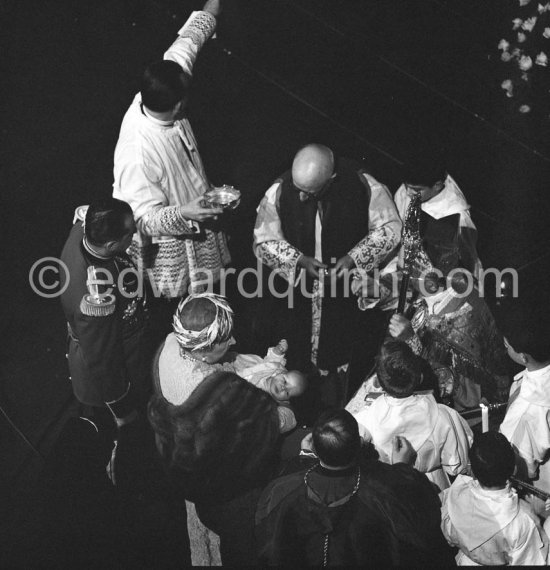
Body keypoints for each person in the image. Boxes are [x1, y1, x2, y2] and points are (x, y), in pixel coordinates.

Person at [253, 143, 402, 400]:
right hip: (300, 289)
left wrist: (354, 258)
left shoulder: (362, 184)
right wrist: (298, 260)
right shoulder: (280, 189)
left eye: (309, 193)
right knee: (296, 353)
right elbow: (263, 241)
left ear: (331, 179)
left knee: (344, 349)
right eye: (299, 190)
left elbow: (390, 229)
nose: (301, 198)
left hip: (345, 288)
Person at [113, 0, 230, 300]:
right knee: (180, 298)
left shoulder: (160, 87)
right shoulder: (137, 153)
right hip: (170, 239)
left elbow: (187, 43)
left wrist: (211, 10)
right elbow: (141, 218)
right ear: (178, 104)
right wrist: (185, 212)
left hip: (194, 202)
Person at [255, 409, 454, 567]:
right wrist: (402, 468)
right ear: (359, 445)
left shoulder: (279, 489)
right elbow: (422, 523)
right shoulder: (389, 486)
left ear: (314, 448)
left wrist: (305, 457)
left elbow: (266, 544)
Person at [149, 371, 280, 566]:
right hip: (236, 511)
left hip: (209, 505)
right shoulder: (244, 484)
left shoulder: (182, 437)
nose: (234, 339)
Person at [60, 199, 148, 430]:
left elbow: (82, 211)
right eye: (130, 233)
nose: (135, 234)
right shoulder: (96, 295)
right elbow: (103, 359)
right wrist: (123, 409)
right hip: (111, 376)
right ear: (110, 244)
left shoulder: (85, 229)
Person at [352, 340, 472, 491]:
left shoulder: (364, 419)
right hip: (431, 487)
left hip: (385, 490)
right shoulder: (443, 417)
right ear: (420, 377)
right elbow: (455, 465)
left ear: (380, 384)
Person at [440, 431, 549, 565]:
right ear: (514, 470)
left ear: (472, 470)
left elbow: (450, 536)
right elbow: (530, 560)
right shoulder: (523, 520)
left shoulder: (455, 494)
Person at [394, 150, 482, 279]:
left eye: (416, 190)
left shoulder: (456, 215)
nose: (408, 193)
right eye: (407, 186)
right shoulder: (411, 188)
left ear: (437, 185)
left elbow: (468, 258)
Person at [499, 302, 550, 494]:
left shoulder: (525, 410)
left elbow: (519, 466)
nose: (505, 347)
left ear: (523, 357)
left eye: (507, 345)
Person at [157, 292, 237, 406]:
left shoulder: (171, 340)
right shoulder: (211, 386)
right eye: (227, 340)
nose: (234, 341)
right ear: (204, 355)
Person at [236, 340, 308, 433]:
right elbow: (273, 360)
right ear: (280, 373)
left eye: (287, 392)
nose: (284, 387)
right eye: (285, 381)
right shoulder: (273, 369)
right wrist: (278, 351)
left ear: (285, 400)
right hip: (239, 367)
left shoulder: (266, 399)